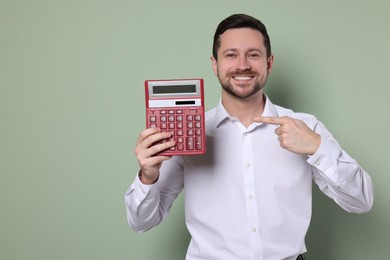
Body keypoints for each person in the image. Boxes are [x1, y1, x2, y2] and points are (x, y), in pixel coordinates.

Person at [124, 13, 374, 260]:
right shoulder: (188, 133)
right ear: (215, 64)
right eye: (231, 55)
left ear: (269, 63)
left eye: (253, 54)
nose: (242, 65)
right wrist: (148, 177)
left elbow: (361, 201)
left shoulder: (305, 127)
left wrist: (317, 148)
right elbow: (141, 222)